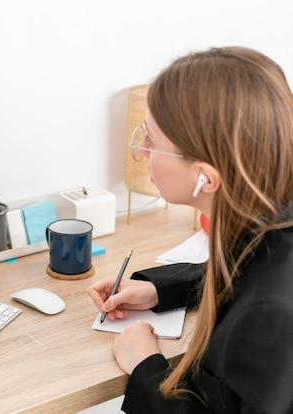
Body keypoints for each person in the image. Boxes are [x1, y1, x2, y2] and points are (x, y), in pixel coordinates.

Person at [87, 47, 293, 413]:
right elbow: (243, 272)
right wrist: (158, 289)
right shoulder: (272, 223)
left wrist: (146, 367)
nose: (141, 150)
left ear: (205, 178)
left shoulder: (271, 321)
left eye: (151, 140)